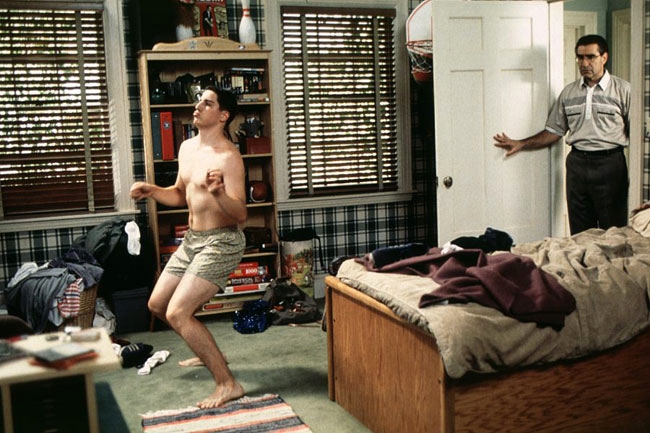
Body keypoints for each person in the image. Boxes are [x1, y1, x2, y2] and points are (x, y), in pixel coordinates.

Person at [130, 86, 247, 408]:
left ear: (223, 115)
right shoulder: (187, 148)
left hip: (222, 240)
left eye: (207, 103)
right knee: (158, 305)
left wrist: (219, 193)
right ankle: (206, 348)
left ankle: (228, 384)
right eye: (199, 101)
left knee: (178, 313)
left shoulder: (229, 157)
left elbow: (241, 213)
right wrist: (152, 190)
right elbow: (180, 195)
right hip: (192, 239)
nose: (198, 106)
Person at [494, 34, 630, 235]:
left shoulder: (623, 90)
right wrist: (521, 143)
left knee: (613, 231)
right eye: (580, 57)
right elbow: (554, 130)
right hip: (577, 164)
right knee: (580, 231)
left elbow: (637, 133)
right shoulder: (569, 93)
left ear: (604, 57)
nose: (584, 63)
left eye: (590, 57)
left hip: (610, 164)